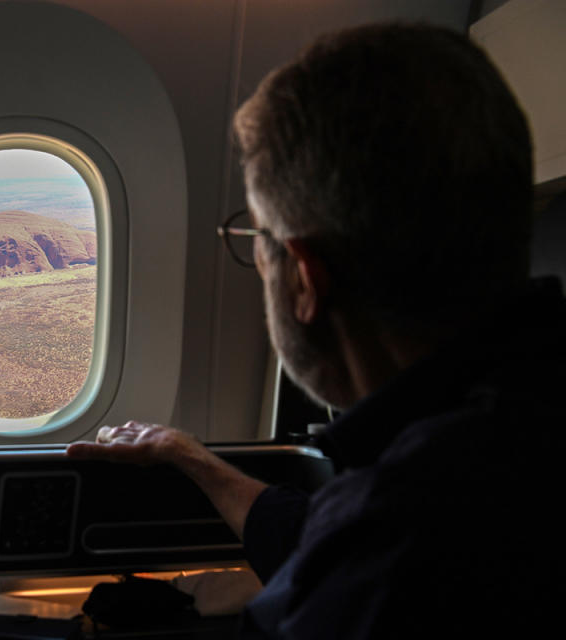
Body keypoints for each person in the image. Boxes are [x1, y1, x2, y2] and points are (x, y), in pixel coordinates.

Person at [67, 22, 564, 638]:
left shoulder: (395, 549)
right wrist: (192, 458)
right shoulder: (514, 423)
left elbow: (370, 539)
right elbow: (322, 532)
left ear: (306, 277)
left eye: (258, 241)